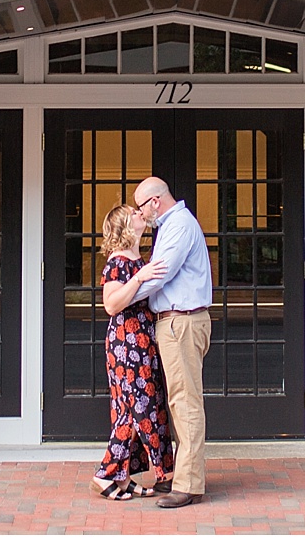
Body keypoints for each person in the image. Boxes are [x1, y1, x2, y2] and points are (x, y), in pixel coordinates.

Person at [132, 175, 213, 508]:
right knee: (180, 401)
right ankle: (183, 476)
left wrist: (122, 297)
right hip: (177, 322)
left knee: (185, 402)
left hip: (181, 322)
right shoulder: (171, 225)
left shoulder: (178, 225)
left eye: (141, 207)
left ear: (154, 202)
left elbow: (159, 273)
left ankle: (189, 485)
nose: (140, 214)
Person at [90, 203, 174, 501]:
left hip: (142, 340)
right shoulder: (118, 261)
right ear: (126, 226)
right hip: (127, 342)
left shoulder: (138, 258)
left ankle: (122, 478)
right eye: (134, 213)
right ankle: (106, 474)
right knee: (140, 407)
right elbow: (111, 305)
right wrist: (140, 277)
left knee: (131, 407)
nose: (141, 214)